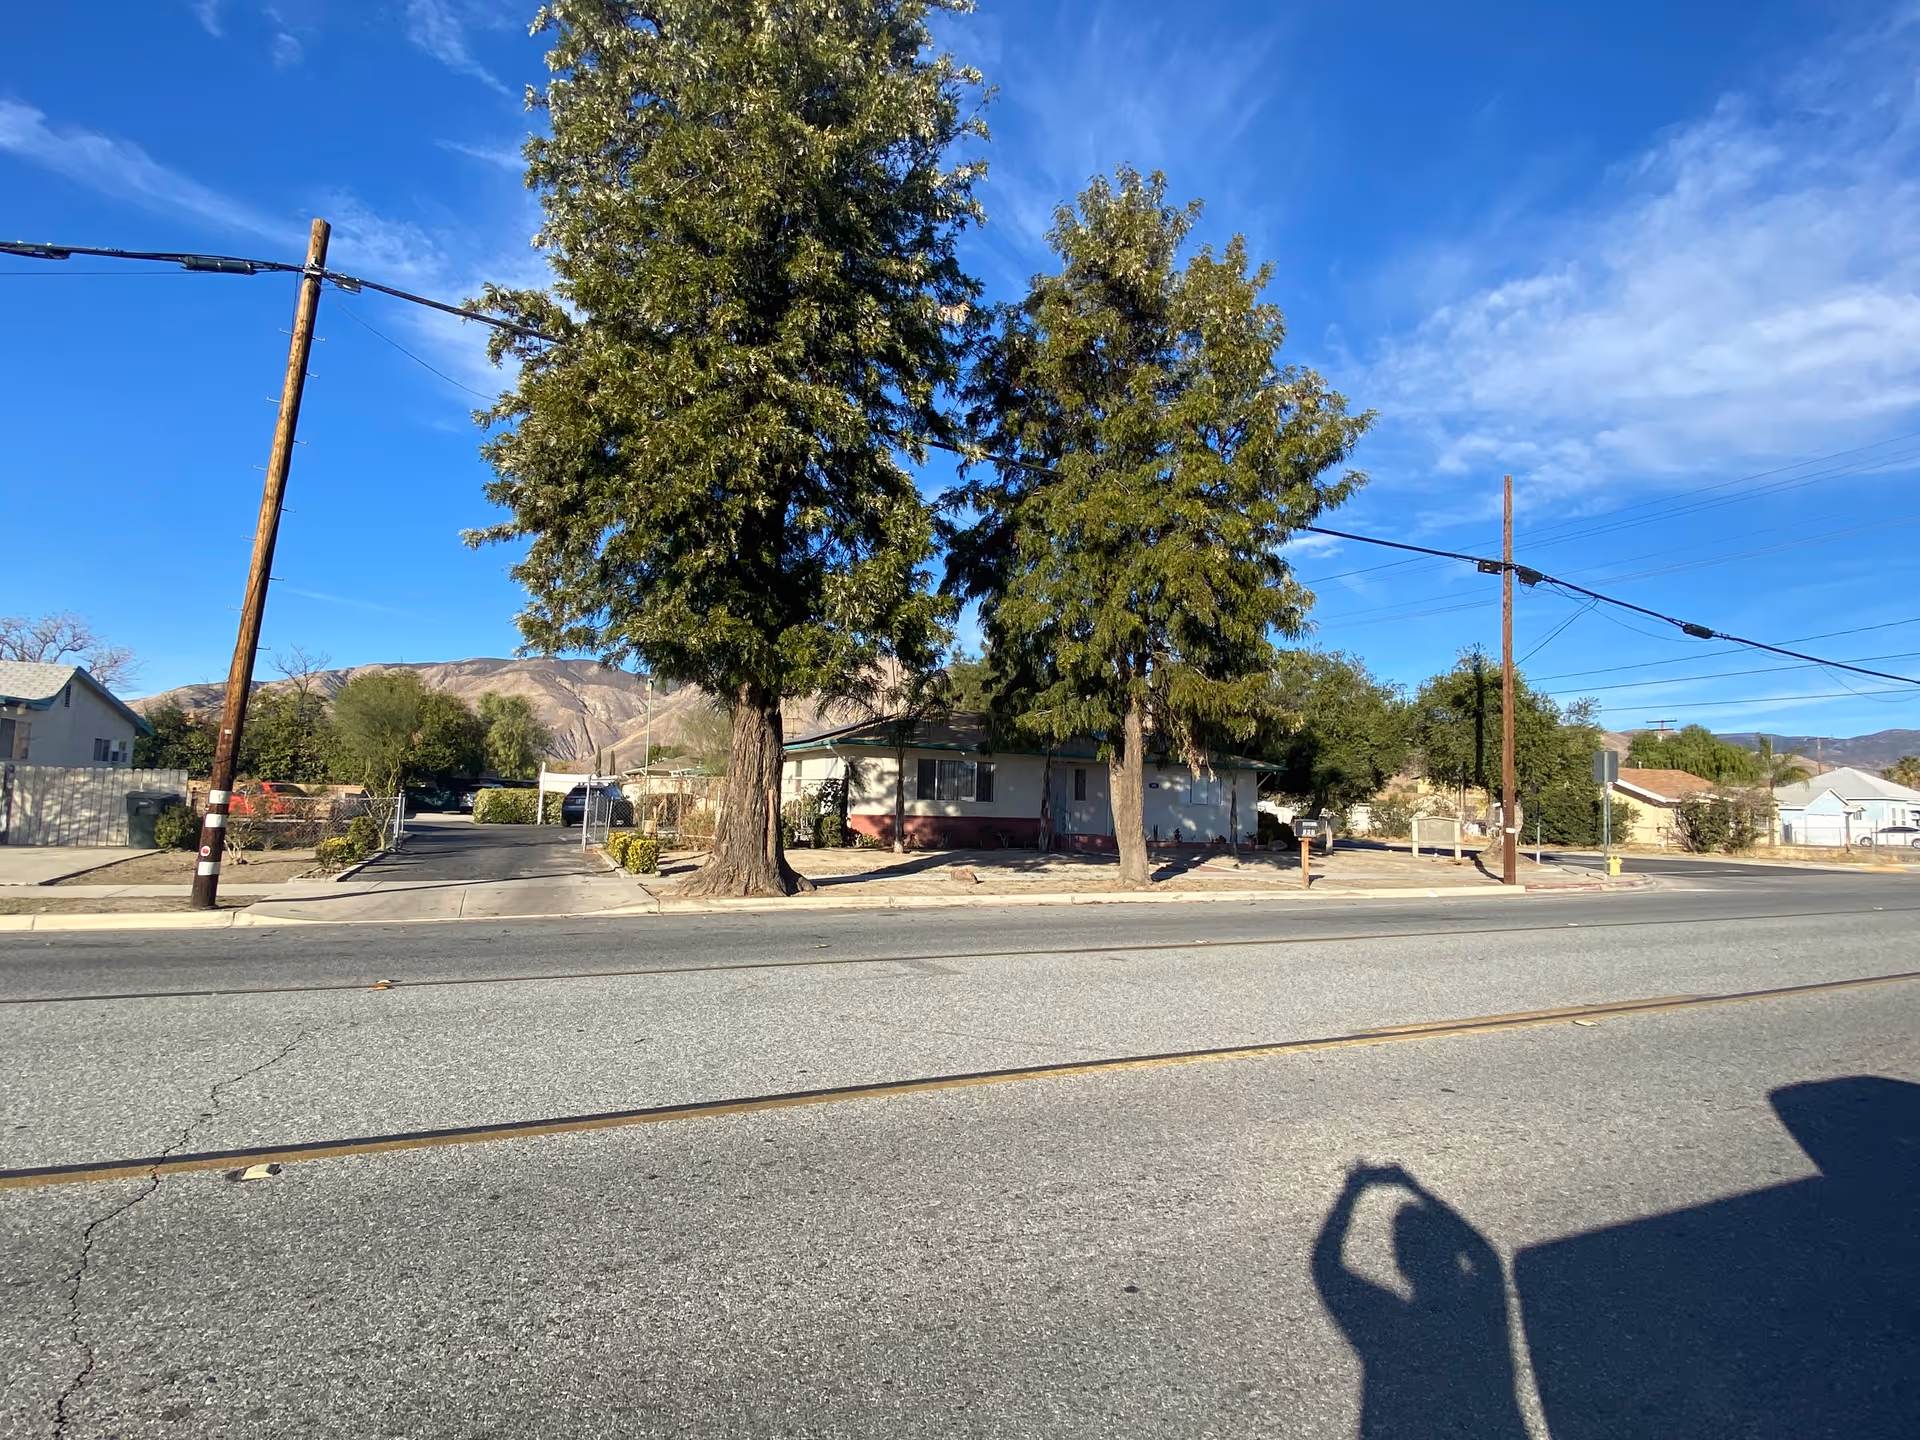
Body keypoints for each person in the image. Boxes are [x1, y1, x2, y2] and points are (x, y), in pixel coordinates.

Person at [1313, 1163, 1530, 1440]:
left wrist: (1353, 1190)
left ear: (1401, 1262)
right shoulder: (1476, 1314)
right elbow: (1486, 1258)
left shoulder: (1389, 1322)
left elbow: (1325, 1266)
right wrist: (1415, 1189)